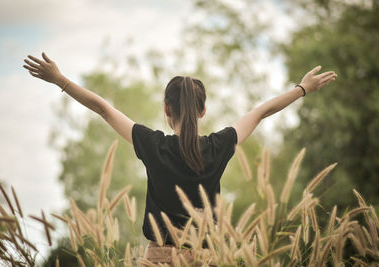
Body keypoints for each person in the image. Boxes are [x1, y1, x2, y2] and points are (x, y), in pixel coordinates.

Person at [23, 53, 337, 265]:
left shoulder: (153, 145)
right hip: (205, 258)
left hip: (157, 258)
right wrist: (302, 89)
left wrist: (60, 79)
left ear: (166, 109)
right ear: (203, 111)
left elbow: (104, 109)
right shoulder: (218, 147)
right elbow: (260, 113)